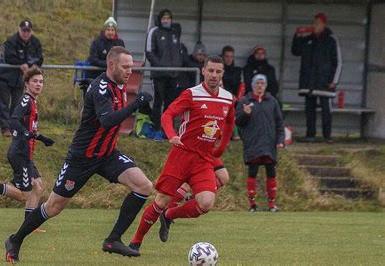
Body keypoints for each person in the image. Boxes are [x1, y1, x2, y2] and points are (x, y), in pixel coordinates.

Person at [4, 47, 153, 262]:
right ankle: (15, 240)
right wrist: (137, 103)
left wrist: (144, 107)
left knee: (144, 186)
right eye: (126, 66)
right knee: (54, 206)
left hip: (107, 154)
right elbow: (108, 120)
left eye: (132, 67)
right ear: (112, 65)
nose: (130, 71)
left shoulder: (116, 85)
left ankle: (113, 239)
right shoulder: (102, 88)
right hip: (82, 158)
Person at [129, 56, 235, 252]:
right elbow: (167, 114)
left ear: (222, 74)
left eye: (218, 72)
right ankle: (136, 242)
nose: (214, 75)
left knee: (206, 203)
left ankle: (169, 216)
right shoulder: (191, 94)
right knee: (161, 201)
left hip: (203, 158)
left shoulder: (228, 98)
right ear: (203, 71)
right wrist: (171, 134)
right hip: (182, 155)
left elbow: (229, 123)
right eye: (210, 70)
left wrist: (219, 150)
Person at [0, 66, 54, 230]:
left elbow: (28, 128)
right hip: (20, 153)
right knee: (24, 195)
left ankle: (29, 225)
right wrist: (27, 134)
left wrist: (41, 138)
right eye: (35, 81)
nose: (38, 84)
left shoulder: (32, 101)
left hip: (26, 153)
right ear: (27, 83)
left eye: (41, 82)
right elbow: (13, 120)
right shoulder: (25, 100)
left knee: (39, 186)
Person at [235, 74, 285, 212]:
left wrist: (280, 140)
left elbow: (279, 123)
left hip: (269, 143)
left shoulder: (272, 101)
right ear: (252, 85)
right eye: (257, 83)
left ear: (266, 85)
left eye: (262, 83)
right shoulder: (245, 101)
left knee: (271, 172)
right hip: (253, 143)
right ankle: (252, 204)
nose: (260, 85)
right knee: (252, 172)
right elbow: (238, 122)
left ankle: (271, 204)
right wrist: (245, 114)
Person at [292, 12, 342, 143]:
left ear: (324, 24)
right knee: (309, 109)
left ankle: (327, 136)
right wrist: (297, 35)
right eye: (314, 23)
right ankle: (310, 134)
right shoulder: (309, 39)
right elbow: (295, 51)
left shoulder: (331, 39)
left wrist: (334, 80)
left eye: (318, 23)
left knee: (326, 110)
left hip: (325, 82)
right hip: (309, 82)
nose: (315, 25)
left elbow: (338, 61)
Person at [0, 20, 43, 137]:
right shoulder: (11, 41)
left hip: (20, 79)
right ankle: (5, 128)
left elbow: (40, 58)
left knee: (17, 104)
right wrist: (21, 64)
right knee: (3, 104)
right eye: (24, 30)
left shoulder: (35, 42)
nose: (26, 33)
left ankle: (13, 128)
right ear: (19, 30)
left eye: (28, 31)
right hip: (5, 77)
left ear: (31, 31)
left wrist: (28, 64)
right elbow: (8, 57)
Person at [146, 9, 183, 141]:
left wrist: (177, 68)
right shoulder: (154, 32)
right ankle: (156, 130)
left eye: (168, 18)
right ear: (160, 19)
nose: (166, 20)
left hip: (173, 75)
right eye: (164, 18)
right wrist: (161, 67)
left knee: (170, 104)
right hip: (159, 75)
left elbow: (178, 51)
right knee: (158, 102)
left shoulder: (174, 32)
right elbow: (149, 52)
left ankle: (168, 131)